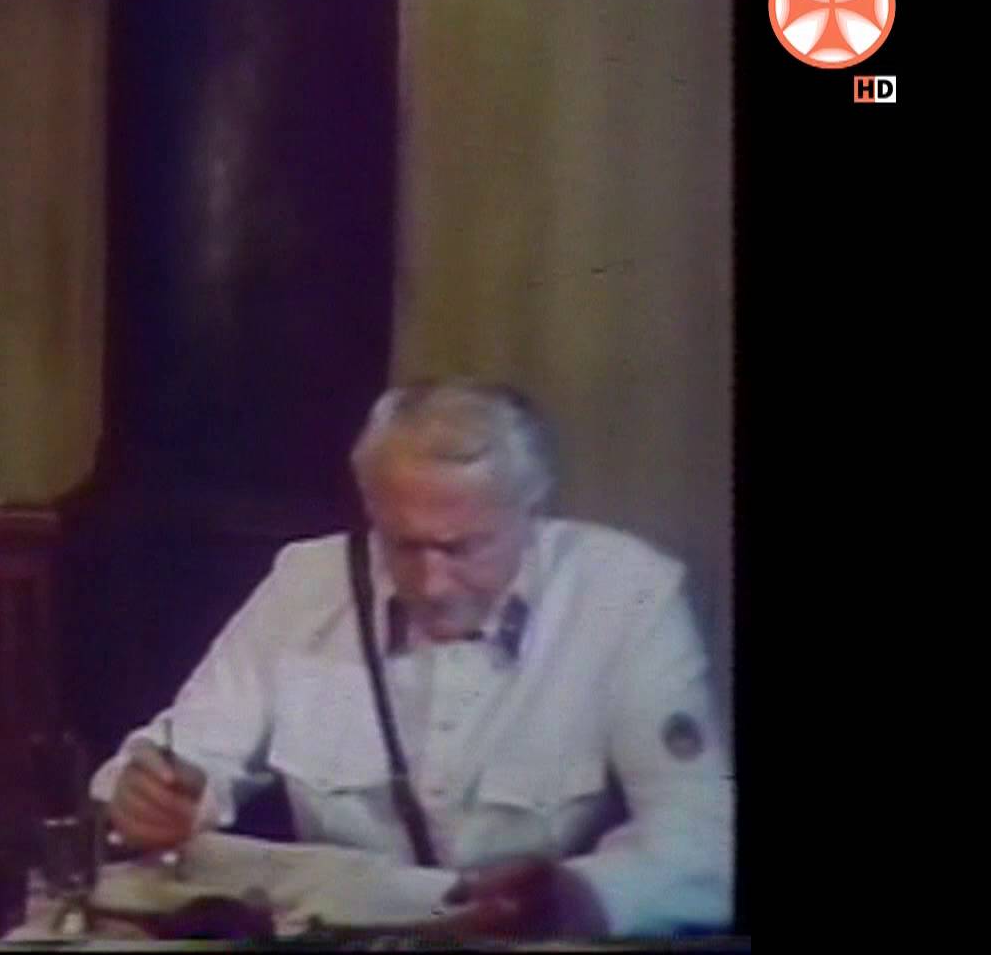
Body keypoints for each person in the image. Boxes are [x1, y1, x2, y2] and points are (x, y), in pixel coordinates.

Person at [91, 380, 733, 938]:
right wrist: (149, 796)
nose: (432, 584)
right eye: (403, 545)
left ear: (532, 514)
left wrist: (582, 896)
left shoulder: (627, 594)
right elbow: (180, 756)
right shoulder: (305, 583)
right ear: (372, 510)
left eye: (462, 549)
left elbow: (704, 838)